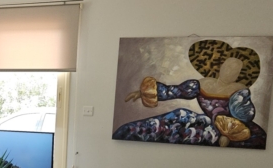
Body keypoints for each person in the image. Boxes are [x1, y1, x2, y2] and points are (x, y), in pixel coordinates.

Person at [114, 39, 266, 149]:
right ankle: (127, 133)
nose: (230, 71)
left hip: (236, 131)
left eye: (236, 70)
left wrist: (227, 134)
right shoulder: (203, 83)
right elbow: (175, 91)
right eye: (228, 66)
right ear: (221, 66)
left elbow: (242, 117)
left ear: (239, 74)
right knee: (179, 116)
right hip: (207, 123)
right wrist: (143, 93)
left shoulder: (240, 90)